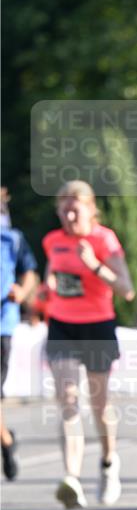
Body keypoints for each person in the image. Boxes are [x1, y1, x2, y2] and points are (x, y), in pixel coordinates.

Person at [43, 180, 134, 508]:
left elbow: (127, 289)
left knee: (98, 404)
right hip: (61, 325)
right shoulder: (52, 241)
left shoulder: (104, 239)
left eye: (75, 209)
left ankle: (109, 463)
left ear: (91, 209)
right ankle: (72, 478)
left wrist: (95, 265)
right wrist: (46, 288)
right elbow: (52, 276)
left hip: (97, 325)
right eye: (63, 209)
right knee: (67, 399)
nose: (69, 215)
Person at [1, 188, 38, 480]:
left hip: (2, 325)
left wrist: (22, 291)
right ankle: (6, 439)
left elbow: (29, 272)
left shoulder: (11, 239)